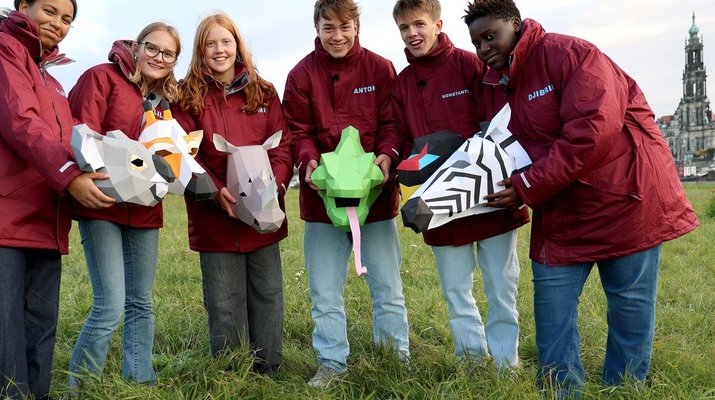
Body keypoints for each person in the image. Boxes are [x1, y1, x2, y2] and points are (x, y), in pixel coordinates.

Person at [463, 0, 699, 396]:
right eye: (476, 42)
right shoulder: (498, 82)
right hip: (563, 209)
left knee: (629, 309)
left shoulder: (571, 55)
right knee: (552, 314)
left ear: (516, 26)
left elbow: (591, 133)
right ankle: (562, 393)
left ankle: (622, 391)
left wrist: (525, 187)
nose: (484, 47)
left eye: (491, 36)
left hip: (627, 198)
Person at [0, 1, 116, 399]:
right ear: (24, 6)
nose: (58, 23)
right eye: (50, 11)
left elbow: (73, 137)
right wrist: (69, 175)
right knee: (1, 335)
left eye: (67, 19)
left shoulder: (51, 81)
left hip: (42, 213)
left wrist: (122, 168)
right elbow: (20, 121)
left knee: (39, 332)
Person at [391, 0, 529, 370]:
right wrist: (402, 163)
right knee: (456, 292)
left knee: (502, 290)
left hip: (491, 195)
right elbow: (400, 136)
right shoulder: (402, 83)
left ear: (437, 23)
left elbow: (501, 123)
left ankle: (506, 367)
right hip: (439, 204)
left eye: (418, 24)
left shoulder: (472, 65)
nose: (412, 34)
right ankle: (472, 363)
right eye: (404, 28)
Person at [283, 0, 410, 388]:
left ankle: (395, 356)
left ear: (356, 27)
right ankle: (331, 361)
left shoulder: (380, 68)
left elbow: (392, 123)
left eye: (344, 27)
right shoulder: (301, 74)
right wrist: (308, 164)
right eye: (328, 28)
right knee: (324, 291)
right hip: (322, 201)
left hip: (375, 200)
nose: (336, 36)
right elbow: (297, 131)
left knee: (388, 286)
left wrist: (388, 156)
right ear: (317, 29)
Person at [66, 22, 181, 391]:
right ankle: (80, 389)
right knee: (110, 306)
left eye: (168, 53)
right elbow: (80, 132)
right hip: (103, 204)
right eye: (153, 48)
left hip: (146, 211)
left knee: (141, 302)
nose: (159, 58)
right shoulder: (101, 78)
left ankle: (140, 382)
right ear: (136, 47)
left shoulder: (164, 103)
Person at [177, 12, 292, 374]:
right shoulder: (187, 98)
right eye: (211, 43)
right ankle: (232, 375)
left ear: (237, 45)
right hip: (217, 219)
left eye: (225, 42)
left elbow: (282, 145)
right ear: (201, 50)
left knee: (268, 294)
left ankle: (269, 369)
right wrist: (215, 193)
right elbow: (182, 155)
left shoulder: (265, 92)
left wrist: (275, 184)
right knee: (224, 301)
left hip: (264, 215)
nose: (219, 49)